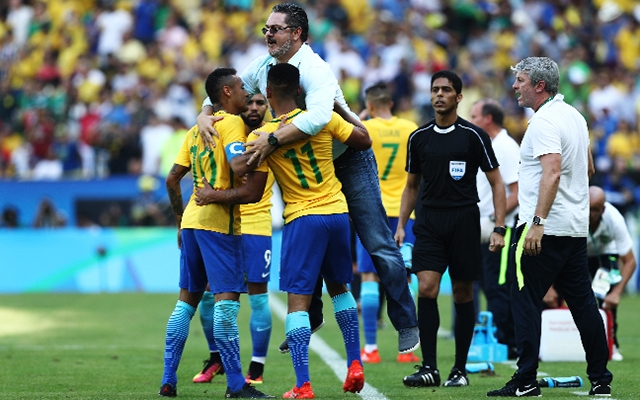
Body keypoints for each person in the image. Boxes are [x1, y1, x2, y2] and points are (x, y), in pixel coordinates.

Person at [196, 3, 419, 355]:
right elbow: (230, 88)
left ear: (296, 34)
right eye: (265, 29)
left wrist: (269, 140)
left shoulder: (316, 69)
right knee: (308, 230)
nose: (267, 34)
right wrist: (205, 113)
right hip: (308, 160)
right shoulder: (265, 65)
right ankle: (311, 314)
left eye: (275, 29)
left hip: (347, 159)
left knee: (376, 241)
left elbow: (318, 118)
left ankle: (406, 322)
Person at [199, 63, 369, 399]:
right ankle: (354, 363)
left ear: (271, 94)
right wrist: (335, 105)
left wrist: (212, 125)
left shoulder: (261, 138)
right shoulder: (321, 119)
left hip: (302, 218)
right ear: (301, 91)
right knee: (341, 290)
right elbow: (363, 140)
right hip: (337, 212)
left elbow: (248, 182)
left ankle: (303, 385)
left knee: (298, 304)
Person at [487, 57, 613, 397]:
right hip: (573, 229)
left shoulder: (542, 122)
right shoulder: (575, 116)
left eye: (521, 80)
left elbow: (552, 171)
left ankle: (526, 380)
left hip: (541, 229)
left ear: (539, 86)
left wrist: (539, 222)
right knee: (583, 304)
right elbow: (586, 169)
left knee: (524, 300)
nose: (515, 86)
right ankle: (601, 379)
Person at [159, 67, 273, 399]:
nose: (244, 94)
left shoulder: (197, 130)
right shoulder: (234, 125)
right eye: (240, 88)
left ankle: (169, 379)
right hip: (218, 223)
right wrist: (269, 148)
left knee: (186, 302)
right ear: (227, 93)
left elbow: (171, 178)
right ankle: (237, 385)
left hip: (192, 223)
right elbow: (238, 167)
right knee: (226, 303)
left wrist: (180, 220)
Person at [396, 70, 507, 388]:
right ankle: (429, 366)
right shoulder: (419, 138)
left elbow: (497, 183)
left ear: (459, 97)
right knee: (427, 287)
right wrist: (402, 225)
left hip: (464, 221)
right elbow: (411, 186)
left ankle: (459, 369)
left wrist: (498, 227)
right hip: (429, 222)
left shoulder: (474, 136)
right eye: (435, 90)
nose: (439, 95)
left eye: (446, 90)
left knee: (462, 292)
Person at [192, 94, 276, 385]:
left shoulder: (272, 135)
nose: (254, 108)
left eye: (260, 104)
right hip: (222, 224)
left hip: (256, 225)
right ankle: (217, 359)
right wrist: (204, 113)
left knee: (258, 296)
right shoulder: (226, 126)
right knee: (207, 296)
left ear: (269, 106)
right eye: (249, 102)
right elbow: (212, 94)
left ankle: (256, 368)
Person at [355, 83, 420, 365]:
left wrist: (362, 115)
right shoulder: (410, 127)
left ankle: (370, 347)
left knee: (369, 278)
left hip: (371, 211)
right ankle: (408, 349)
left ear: (369, 106)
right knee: (404, 278)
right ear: (391, 104)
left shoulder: (365, 127)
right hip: (406, 213)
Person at [544, 185, 636, 362]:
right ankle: (550, 343)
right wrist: (549, 287)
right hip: (574, 254)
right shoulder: (569, 214)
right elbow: (553, 254)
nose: (590, 214)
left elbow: (630, 261)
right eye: (588, 208)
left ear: (603, 209)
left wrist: (616, 293)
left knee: (606, 297)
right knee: (556, 295)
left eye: (595, 210)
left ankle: (611, 343)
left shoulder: (614, 219)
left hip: (603, 256)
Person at [469, 98, 520, 358]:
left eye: (475, 116)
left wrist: (496, 220)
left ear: (488, 118)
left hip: (499, 228)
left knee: (498, 286)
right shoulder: (488, 144)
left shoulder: (506, 147)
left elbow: (517, 192)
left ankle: (507, 342)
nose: (471, 120)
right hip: (483, 226)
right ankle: (497, 337)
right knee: (485, 284)